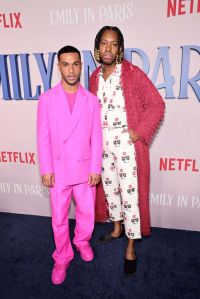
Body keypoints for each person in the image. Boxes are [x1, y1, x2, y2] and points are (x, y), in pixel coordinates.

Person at [89, 26, 165, 275]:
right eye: (104, 43)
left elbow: (156, 104)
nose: (108, 49)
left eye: (113, 44)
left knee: (130, 196)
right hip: (103, 146)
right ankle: (116, 229)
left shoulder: (132, 73)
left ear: (120, 49)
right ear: (97, 47)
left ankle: (131, 245)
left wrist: (139, 131)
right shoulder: (94, 77)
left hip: (126, 147)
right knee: (110, 190)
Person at [37, 45, 102, 285]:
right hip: (59, 170)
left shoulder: (92, 100)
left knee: (86, 213)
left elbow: (97, 137)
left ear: (81, 65)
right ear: (59, 67)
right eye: (65, 64)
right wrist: (46, 169)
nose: (71, 69)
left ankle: (82, 241)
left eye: (75, 64)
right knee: (59, 218)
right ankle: (62, 256)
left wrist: (96, 167)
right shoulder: (46, 99)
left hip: (85, 170)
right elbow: (43, 137)